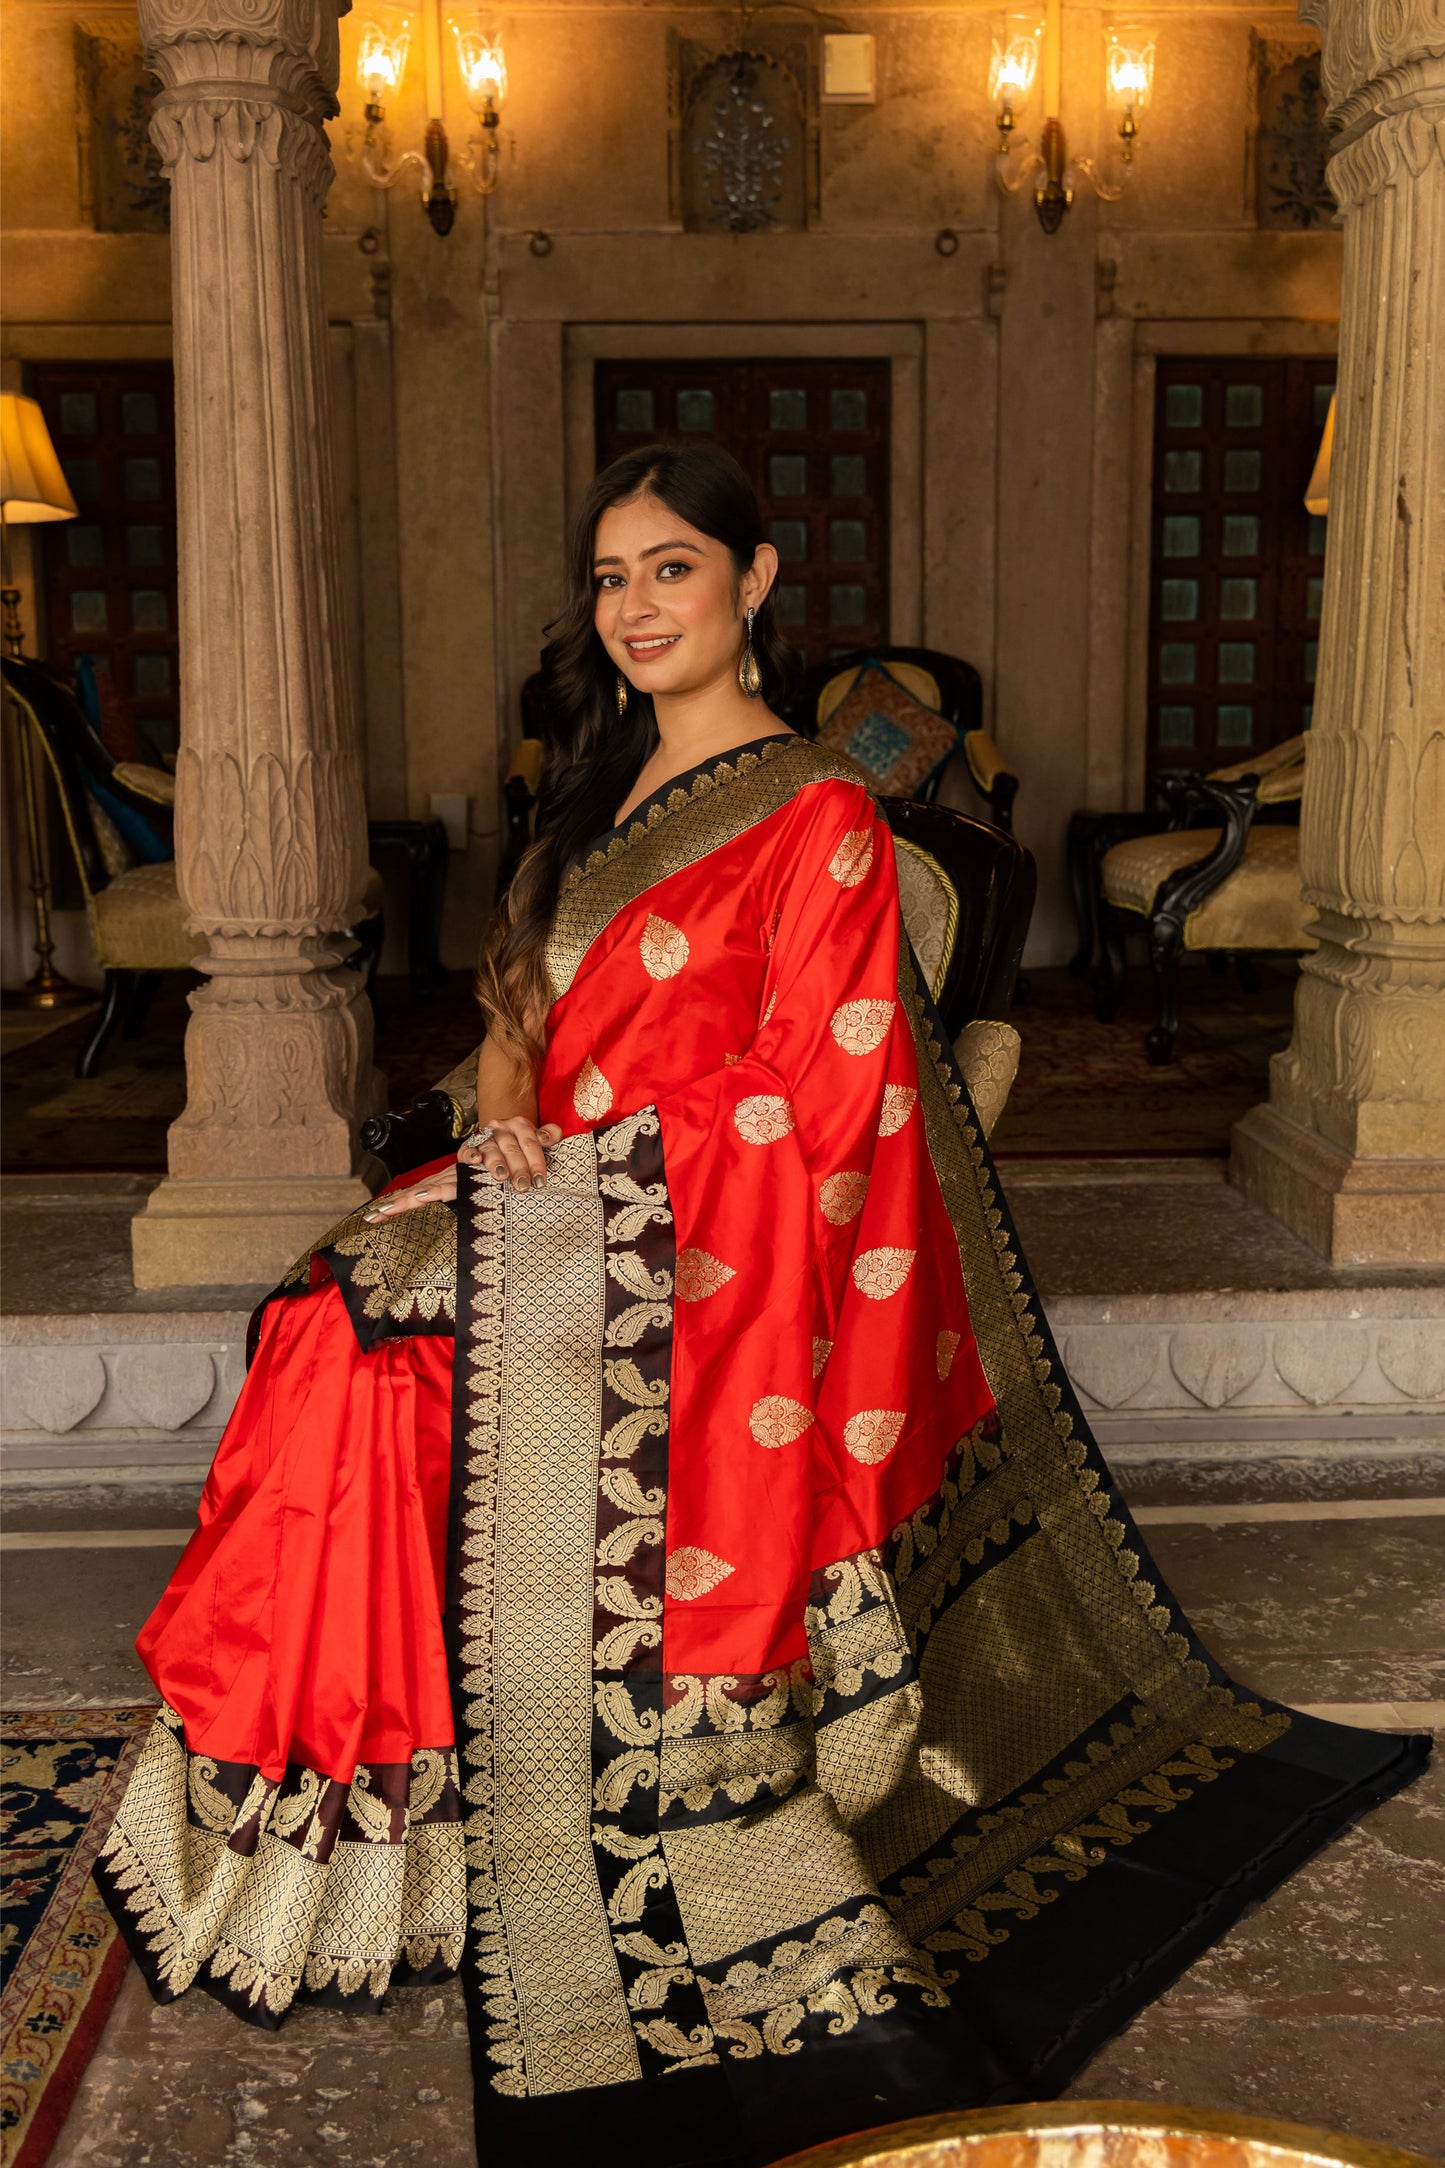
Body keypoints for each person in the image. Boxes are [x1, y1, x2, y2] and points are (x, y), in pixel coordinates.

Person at [96, 444, 1428, 2168]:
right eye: (608, 578)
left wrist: (593, 1189)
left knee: (373, 1347)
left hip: (687, 1250)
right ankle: (353, 1822)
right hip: (545, 1187)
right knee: (322, 1311)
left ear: (756, 580)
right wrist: (502, 1110)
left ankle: (421, 1802)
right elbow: (514, 1001)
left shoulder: (816, 820)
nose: (634, 607)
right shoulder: (593, 804)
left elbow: (821, 1095)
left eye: (668, 570)